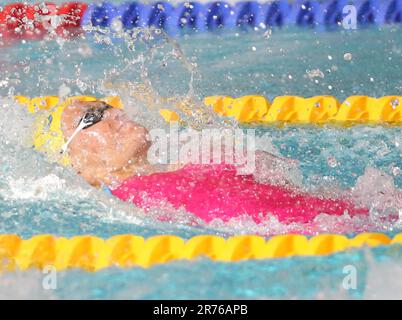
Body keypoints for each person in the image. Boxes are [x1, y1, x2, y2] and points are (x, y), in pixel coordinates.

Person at [34, 98, 369, 224]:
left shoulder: (183, 165)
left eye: (107, 105)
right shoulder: (133, 202)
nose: (114, 113)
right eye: (94, 115)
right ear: (78, 163)